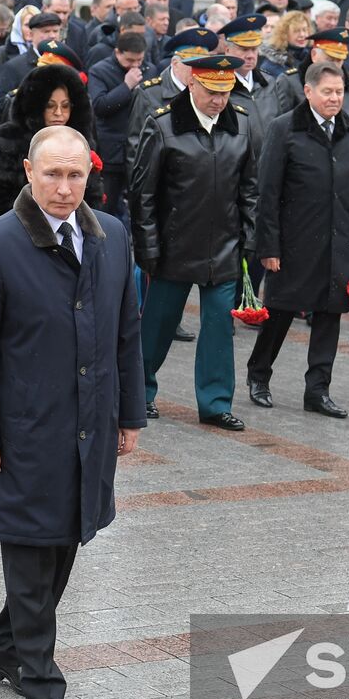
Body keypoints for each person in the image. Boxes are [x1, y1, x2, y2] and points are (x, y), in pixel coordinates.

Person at [0, 124, 145, 699]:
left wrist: (129, 414)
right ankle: (41, 682)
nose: (64, 188)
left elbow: (126, 332)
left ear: (90, 174)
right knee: (32, 550)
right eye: (52, 175)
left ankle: (6, 645)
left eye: (76, 175)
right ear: (29, 174)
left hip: (90, 422)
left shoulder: (111, 236)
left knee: (65, 541)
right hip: (25, 428)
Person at [130, 54, 259, 430]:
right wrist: (148, 246)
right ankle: (139, 391)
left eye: (225, 91)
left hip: (223, 246)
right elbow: (144, 195)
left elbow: (250, 189)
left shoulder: (242, 125)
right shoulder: (163, 126)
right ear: (191, 84)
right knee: (158, 323)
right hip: (173, 245)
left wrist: (249, 238)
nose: (218, 100)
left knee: (219, 325)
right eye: (211, 91)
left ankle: (215, 402)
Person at [247, 61, 349, 418]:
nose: (335, 99)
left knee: (329, 314)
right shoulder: (285, 129)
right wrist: (268, 246)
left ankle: (318, 389)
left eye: (340, 92)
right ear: (308, 91)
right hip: (294, 241)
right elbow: (267, 191)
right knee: (281, 311)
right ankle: (259, 374)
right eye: (328, 92)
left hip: (340, 241)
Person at [0, 60, 102, 224]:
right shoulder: (9, 138)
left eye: (65, 106)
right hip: (20, 233)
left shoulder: (79, 141)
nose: (59, 113)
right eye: (50, 106)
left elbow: (92, 196)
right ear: (36, 106)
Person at [125, 27, 219, 169]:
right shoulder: (150, 94)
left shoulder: (211, 93)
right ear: (175, 64)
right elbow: (135, 145)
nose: (198, 72)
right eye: (192, 65)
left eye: (202, 66)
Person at [88, 31, 150, 217]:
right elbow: (99, 106)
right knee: (107, 208)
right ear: (117, 53)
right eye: (130, 60)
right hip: (112, 153)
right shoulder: (100, 71)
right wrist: (126, 86)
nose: (135, 65)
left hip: (141, 150)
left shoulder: (149, 69)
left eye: (139, 60)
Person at [269, 27, 349, 117]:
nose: (335, 66)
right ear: (314, 55)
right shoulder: (290, 82)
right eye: (330, 60)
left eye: (339, 60)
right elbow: (280, 125)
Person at [0, 11, 63, 121]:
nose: (52, 36)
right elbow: (0, 109)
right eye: (46, 31)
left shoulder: (64, 65)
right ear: (31, 34)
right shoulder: (14, 67)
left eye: (55, 31)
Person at [258, 10, 310, 79]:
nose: (302, 35)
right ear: (284, 33)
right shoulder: (271, 65)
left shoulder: (311, 57)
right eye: (296, 31)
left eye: (305, 30)